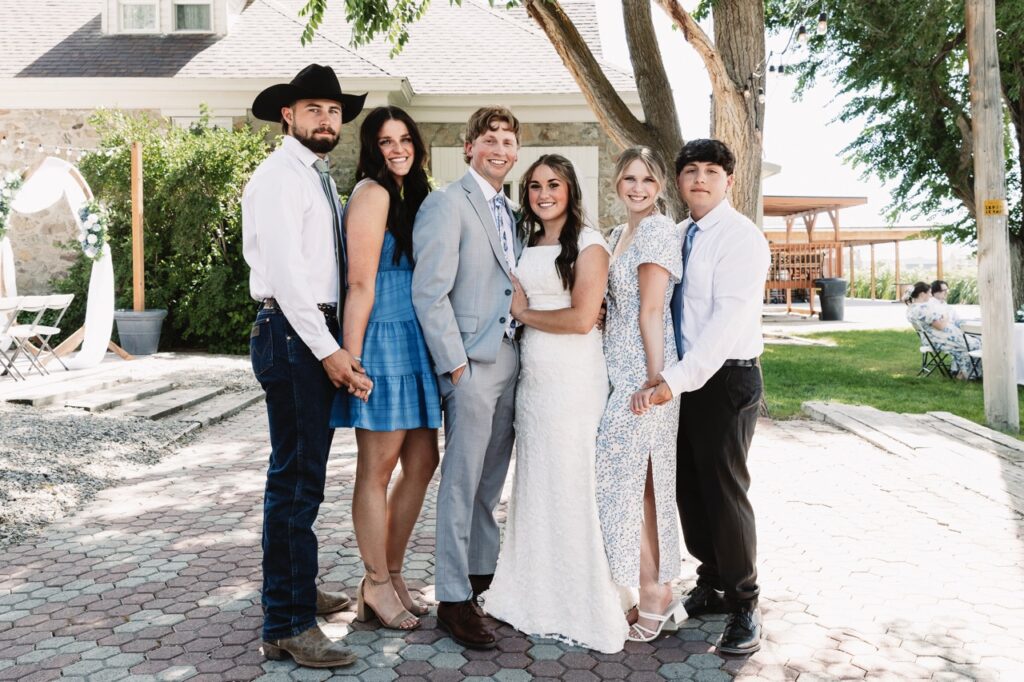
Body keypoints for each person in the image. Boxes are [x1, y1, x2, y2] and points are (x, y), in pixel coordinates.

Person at [243, 63, 372, 668]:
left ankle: (293, 590)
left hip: (305, 330)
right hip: (294, 332)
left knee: (302, 480)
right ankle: (287, 623)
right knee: (294, 484)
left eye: (334, 111)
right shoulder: (278, 178)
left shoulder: (313, 176)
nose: (326, 119)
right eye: (313, 109)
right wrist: (330, 350)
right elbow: (293, 281)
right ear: (287, 115)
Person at [482, 155, 627, 653]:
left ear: (571, 189)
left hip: (573, 379)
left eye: (555, 185)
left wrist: (524, 312)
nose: (544, 194)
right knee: (537, 481)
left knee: (572, 481)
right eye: (536, 186)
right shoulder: (527, 242)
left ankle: (581, 595)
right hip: (534, 380)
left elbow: (585, 318)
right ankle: (531, 588)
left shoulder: (589, 243)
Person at [639, 138, 771, 656]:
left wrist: (677, 378)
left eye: (711, 171)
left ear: (729, 180)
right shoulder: (676, 235)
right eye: (690, 170)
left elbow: (726, 322)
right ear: (678, 180)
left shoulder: (742, 238)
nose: (699, 179)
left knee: (723, 488)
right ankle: (713, 583)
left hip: (725, 378)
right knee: (687, 488)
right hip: (681, 377)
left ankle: (744, 604)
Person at [411, 106, 522, 650]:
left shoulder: (515, 212)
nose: (500, 148)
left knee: (490, 481)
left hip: (513, 363)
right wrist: (455, 364)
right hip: (472, 366)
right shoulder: (446, 204)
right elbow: (428, 292)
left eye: (508, 140)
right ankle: (452, 599)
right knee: (461, 482)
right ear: (469, 148)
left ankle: (481, 579)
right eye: (490, 139)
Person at [330, 106, 442, 631]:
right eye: (385, 141)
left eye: (404, 139)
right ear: (371, 149)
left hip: (416, 339)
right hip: (381, 338)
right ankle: (374, 582)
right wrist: (350, 357)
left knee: (422, 461)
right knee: (376, 470)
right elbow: (359, 283)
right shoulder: (371, 194)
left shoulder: (413, 196)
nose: (396, 149)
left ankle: (391, 574)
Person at [595, 146, 684, 643]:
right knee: (635, 483)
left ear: (660, 187)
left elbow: (652, 311)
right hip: (619, 370)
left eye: (647, 180)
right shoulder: (617, 234)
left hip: (643, 376)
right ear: (617, 183)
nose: (638, 187)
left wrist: (655, 381)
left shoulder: (656, 231)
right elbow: (621, 303)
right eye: (629, 178)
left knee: (642, 482)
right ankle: (653, 583)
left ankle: (656, 589)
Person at [906, 281, 981, 379]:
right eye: (929, 293)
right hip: (938, 339)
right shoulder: (923, 308)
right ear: (922, 294)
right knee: (974, 343)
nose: (930, 295)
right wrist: (944, 316)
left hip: (931, 338)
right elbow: (940, 326)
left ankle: (962, 372)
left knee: (968, 344)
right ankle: (970, 374)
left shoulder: (912, 308)